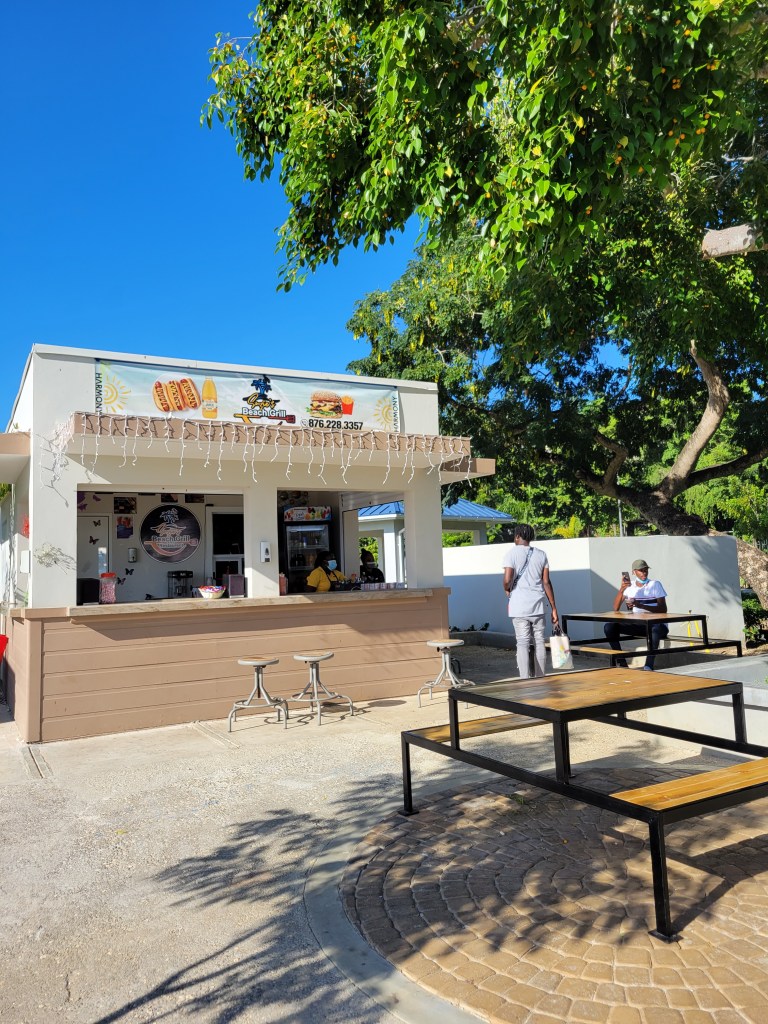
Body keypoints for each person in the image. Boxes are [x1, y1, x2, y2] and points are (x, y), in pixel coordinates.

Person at [502, 524, 559, 679]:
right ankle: (541, 677)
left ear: (517, 537)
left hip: (519, 605)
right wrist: (554, 607)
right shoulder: (541, 554)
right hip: (538, 605)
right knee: (540, 640)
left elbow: (507, 579)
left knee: (522, 642)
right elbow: (546, 582)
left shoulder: (511, 554)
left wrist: (507, 589)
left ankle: (525, 679)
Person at [604, 558, 669, 671]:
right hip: (639, 625)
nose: (644, 573)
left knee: (655, 627)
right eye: (641, 570)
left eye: (646, 570)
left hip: (657, 626)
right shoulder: (630, 586)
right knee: (609, 626)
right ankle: (621, 661)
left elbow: (663, 609)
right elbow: (615, 608)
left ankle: (649, 665)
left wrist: (639, 605)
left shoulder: (655, 584)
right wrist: (622, 589)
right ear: (634, 572)